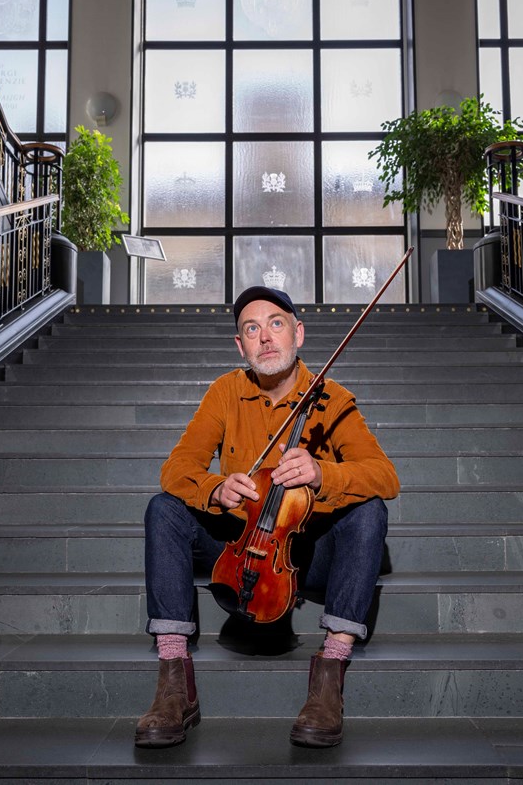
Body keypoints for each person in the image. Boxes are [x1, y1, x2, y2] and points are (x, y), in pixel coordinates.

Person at [136, 285, 399, 749]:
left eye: (276, 324)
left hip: (308, 553)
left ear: (298, 333)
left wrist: (324, 474)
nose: (265, 338)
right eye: (251, 329)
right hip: (237, 547)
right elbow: (177, 468)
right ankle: (174, 682)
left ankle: (329, 676)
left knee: (369, 510)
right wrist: (215, 488)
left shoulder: (332, 399)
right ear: (241, 345)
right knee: (164, 509)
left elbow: (385, 476)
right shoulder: (226, 392)